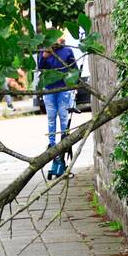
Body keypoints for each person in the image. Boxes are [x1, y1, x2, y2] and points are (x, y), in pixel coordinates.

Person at [38, 37, 76, 175]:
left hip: (63, 88)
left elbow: (73, 68)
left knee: (64, 116)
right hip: (49, 89)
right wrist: (44, 56)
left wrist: (74, 85)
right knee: (51, 117)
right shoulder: (44, 51)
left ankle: (64, 142)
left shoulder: (67, 51)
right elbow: (40, 68)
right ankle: (52, 145)